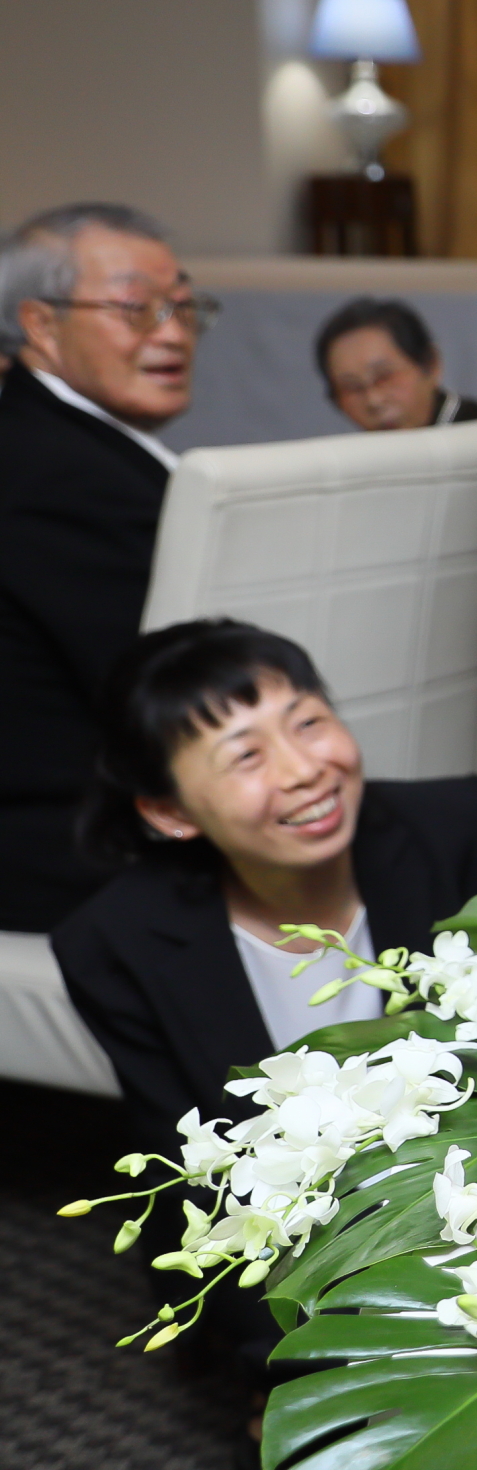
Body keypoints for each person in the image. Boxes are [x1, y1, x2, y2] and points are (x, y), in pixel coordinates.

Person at [51, 618, 477, 1470]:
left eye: (307, 721)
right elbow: (183, 1173)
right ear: (167, 811)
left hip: (475, 1195)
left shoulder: (454, 824)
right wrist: (292, 1360)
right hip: (291, 1241)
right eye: (245, 755)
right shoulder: (115, 943)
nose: (306, 769)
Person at [0, 202, 206, 932]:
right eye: (136, 309)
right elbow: (167, 694)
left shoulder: (64, 442)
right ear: (42, 325)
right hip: (70, 850)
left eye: (183, 307)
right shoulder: (56, 474)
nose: (174, 333)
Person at [314, 296, 477, 716]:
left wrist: (420, 680)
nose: (375, 400)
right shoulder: (370, 460)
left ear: (431, 365)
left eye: (385, 377)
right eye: (353, 388)